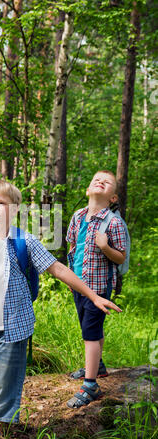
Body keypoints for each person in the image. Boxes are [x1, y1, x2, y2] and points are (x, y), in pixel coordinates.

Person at [0, 179, 121, 439]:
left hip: (13, 327)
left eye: (2, 203)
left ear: (14, 210)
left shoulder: (25, 242)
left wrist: (93, 295)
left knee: (6, 379)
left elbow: (58, 269)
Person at [66, 170, 127, 409]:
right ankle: (98, 366)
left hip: (99, 287)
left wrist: (105, 247)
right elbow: (72, 244)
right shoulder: (78, 216)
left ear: (113, 197)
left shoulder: (113, 222)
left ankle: (90, 385)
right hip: (78, 283)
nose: (100, 181)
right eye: (96, 179)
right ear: (88, 190)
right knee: (88, 326)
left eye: (107, 181)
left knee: (90, 333)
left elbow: (121, 257)